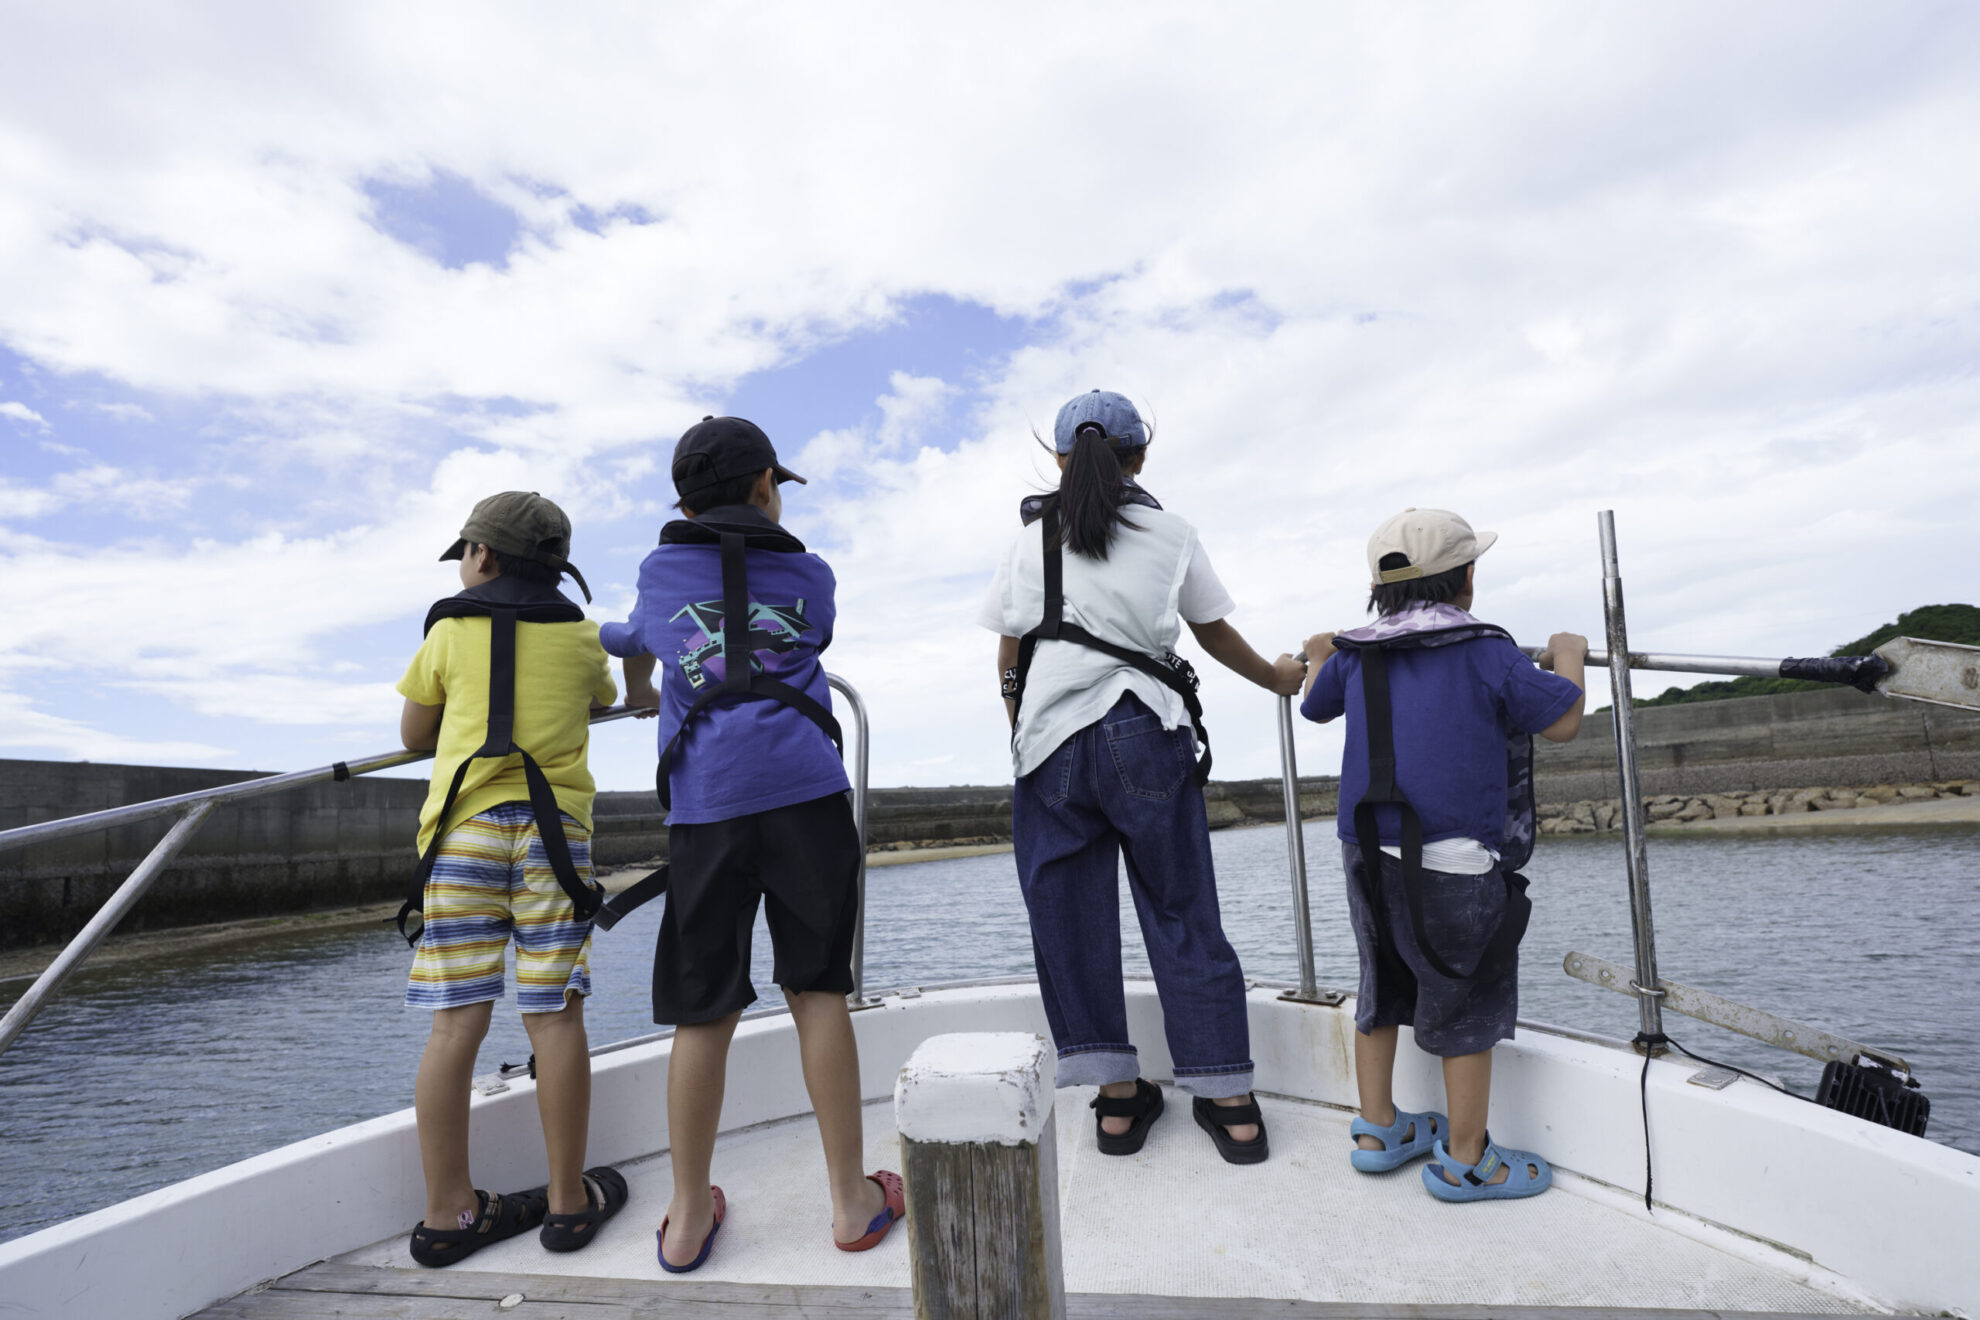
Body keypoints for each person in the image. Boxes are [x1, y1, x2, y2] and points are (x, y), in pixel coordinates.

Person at [601, 416, 901, 1273]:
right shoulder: (811, 573)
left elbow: (638, 634)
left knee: (706, 1011)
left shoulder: (658, 574)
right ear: (767, 486)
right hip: (807, 799)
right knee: (818, 992)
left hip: (707, 811)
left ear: (682, 500)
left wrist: (639, 678)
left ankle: (689, 1216)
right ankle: (851, 1202)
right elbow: (806, 634)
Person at [981, 389, 1306, 1164]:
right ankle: (1231, 1106)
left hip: (1051, 742)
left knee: (1069, 921)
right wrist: (1279, 679)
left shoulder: (1032, 541)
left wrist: (1021, 734)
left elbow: (1009, 656)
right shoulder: (1171, 533)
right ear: (1141, 456)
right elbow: (1214, 633)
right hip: (1143, 732)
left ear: (1058, 460)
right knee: (1182, 911)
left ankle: (1119, 1103)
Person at [1299, 507, 1587, 1201]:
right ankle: (1467, 1160)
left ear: (1380, 591)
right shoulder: (1488, 650)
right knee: (1465, 998)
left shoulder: (1356, 652)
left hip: (1364, 845)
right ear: (1466, 581)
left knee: (1382, 981)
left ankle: (1377, 1129)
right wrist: (1569, 655)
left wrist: (1316, 654)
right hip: (1454, 856)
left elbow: (1314, 703)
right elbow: (1563, 722)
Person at [395, 492, 628, 1264]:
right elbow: (602, 699)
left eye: (464, 552)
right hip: (553, 840)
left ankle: (448, 1213)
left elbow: (414, 733)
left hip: (461, 835)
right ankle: (566, 1207)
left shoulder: (449, 628)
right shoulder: (582, 634)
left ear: (483, 556)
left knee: (457, 1021)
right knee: (555, 1016)